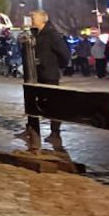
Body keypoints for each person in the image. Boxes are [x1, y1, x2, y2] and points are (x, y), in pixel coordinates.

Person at [27, 10, 69, 146]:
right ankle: (31, 130)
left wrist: (56, 66)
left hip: (49, 75)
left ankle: (55, 133)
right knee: (32, 102)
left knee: (53, 104)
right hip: (36, 74)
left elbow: (64, 53)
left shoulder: (52, 34)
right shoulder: (35, 33)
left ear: (43, 19)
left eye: (33, 17)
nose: (31, 19)